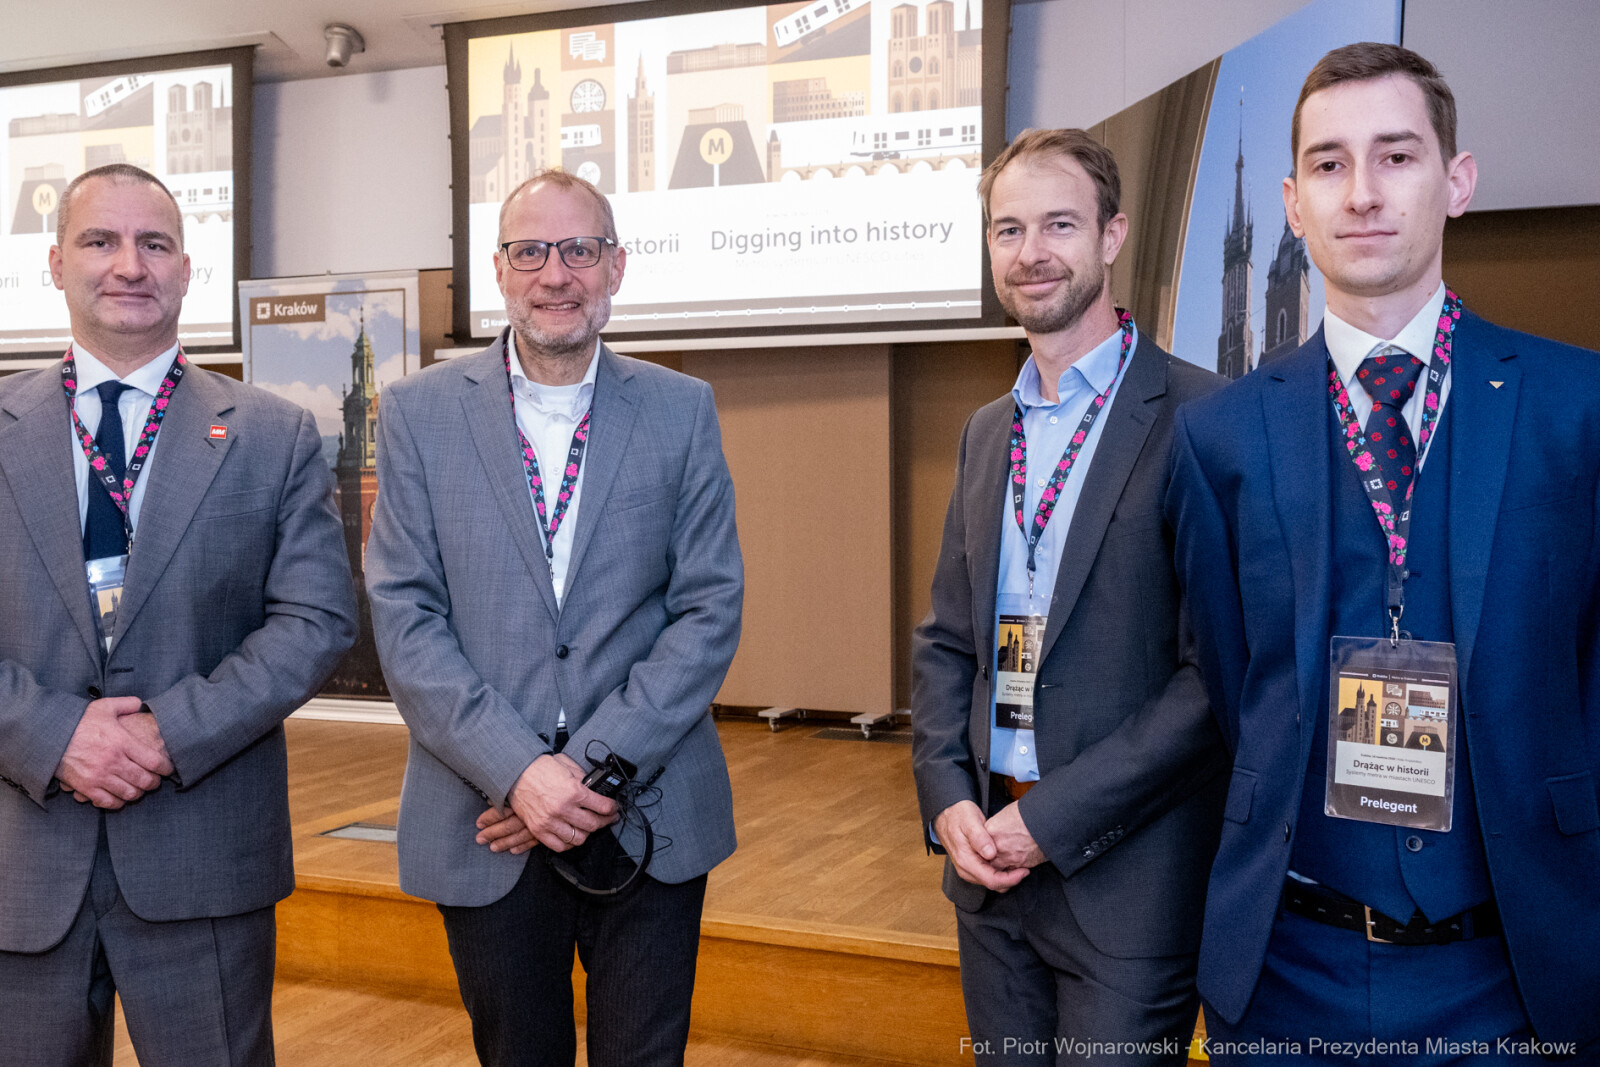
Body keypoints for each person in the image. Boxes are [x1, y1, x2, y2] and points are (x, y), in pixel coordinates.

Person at [1166, 43, 1600, 1062]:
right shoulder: (1220, 438)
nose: (1360, 192)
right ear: (1290, 200)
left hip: (1517, 976)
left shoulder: (1576, 410)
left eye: (1396, 156)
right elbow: (1235, 682)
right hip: (1287, 974)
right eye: (1327, 164)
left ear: (1456, 181)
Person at [365, 169, 743, 1067]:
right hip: (484, 820)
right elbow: (405, 616)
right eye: (532, 251)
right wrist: (518, 772)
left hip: (649, 814)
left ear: (616, 267)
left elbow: (708, 609)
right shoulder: (419, 413)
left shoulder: (680, 410)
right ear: (500, 270)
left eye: (580, 250)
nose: (556, 274)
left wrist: (578, 773)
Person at [0, 163, 356, 1064]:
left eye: (153, 243)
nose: (130, 264)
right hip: (22, 862)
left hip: (203, 860)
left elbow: (314, 619)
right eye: (100, 240)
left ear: (186, 268)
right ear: (54, 262)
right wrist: (51, 733)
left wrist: (167, 732)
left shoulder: (274, 433)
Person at [910, 129, 1230, 1065]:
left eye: (1059, 223)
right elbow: (945, 641)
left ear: (1113, 235)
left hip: (1127, 881)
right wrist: (946, 797)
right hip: (988, 867)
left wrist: (1047, 823)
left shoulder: (1202, 419)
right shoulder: (986, 430)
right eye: (1008, 229)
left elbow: (1210, 678)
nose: (1031, 252)